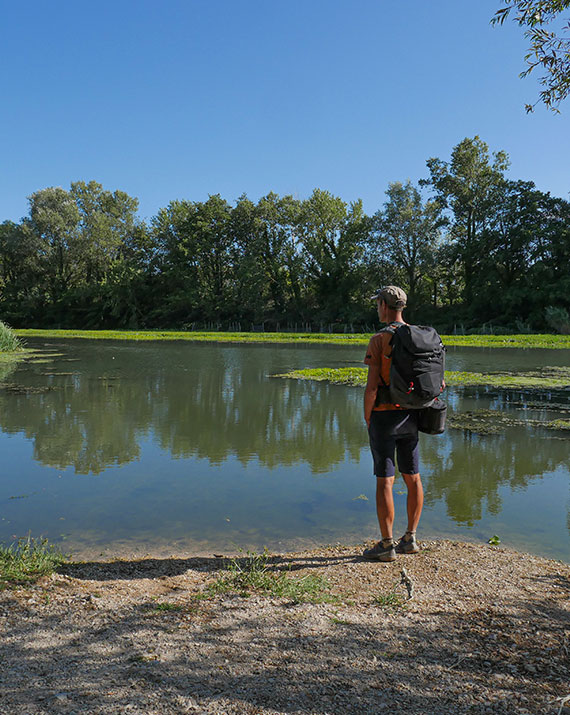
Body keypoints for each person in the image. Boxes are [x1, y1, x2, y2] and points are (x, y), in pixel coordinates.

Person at [362, 285, 423, 562]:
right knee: (412, 476)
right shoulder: (420, 337)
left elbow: (372, 386)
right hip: (412, 415)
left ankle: (387, 545)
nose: (377, 308)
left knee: (385, 480)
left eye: (378, 304)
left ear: (386, 306)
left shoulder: (379, 339)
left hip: (384, 416)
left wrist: (367, 416)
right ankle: (409, 538)